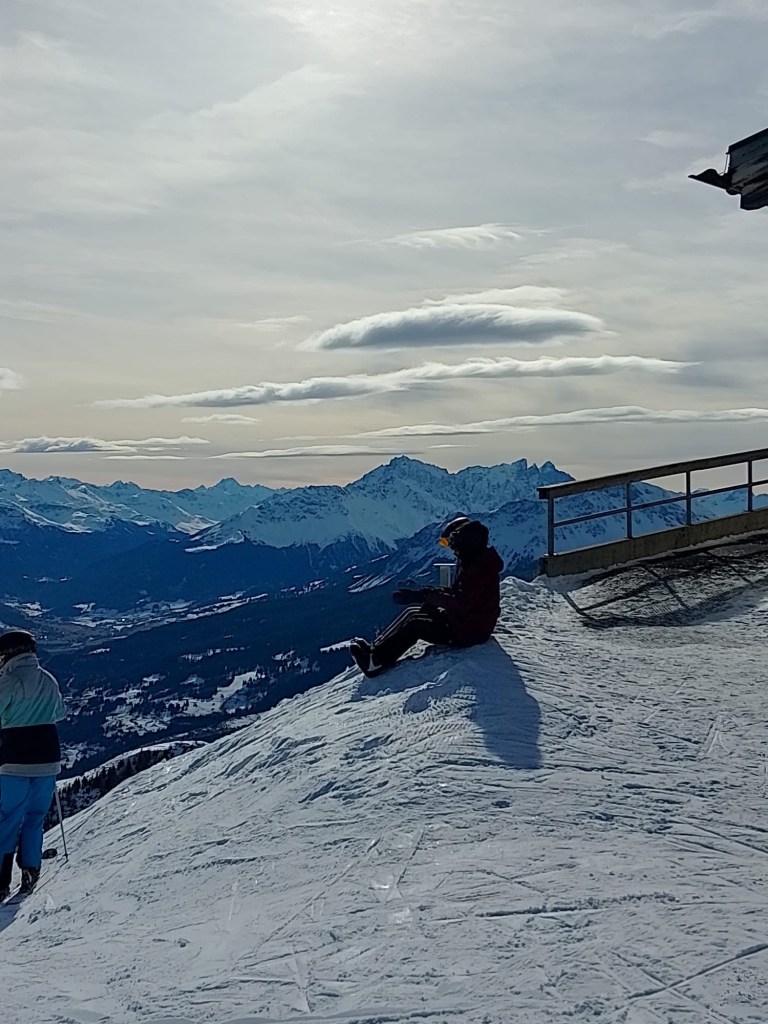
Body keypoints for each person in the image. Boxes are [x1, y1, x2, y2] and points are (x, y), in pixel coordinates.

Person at [350, 516, 504, 677]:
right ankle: (375, 650)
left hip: (469, 632)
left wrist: (423, 596)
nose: (451, 548)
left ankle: (375, 664)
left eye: (449, 542)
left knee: (416, 624)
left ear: (461, 540)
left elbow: (460, 603)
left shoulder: (478, 569)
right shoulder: (475, 561)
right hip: (468, 623)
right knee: (413, 612)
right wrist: (424, 594)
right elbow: (458, 594)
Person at [0, 630, 65, 899]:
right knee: (35, 817)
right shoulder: (48, 679)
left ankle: (1, 880)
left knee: (8, 818)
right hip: (48, 758)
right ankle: (31, 868)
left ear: (9, 653)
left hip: (14, 760)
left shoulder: (7, 681)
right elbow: (59, 713)